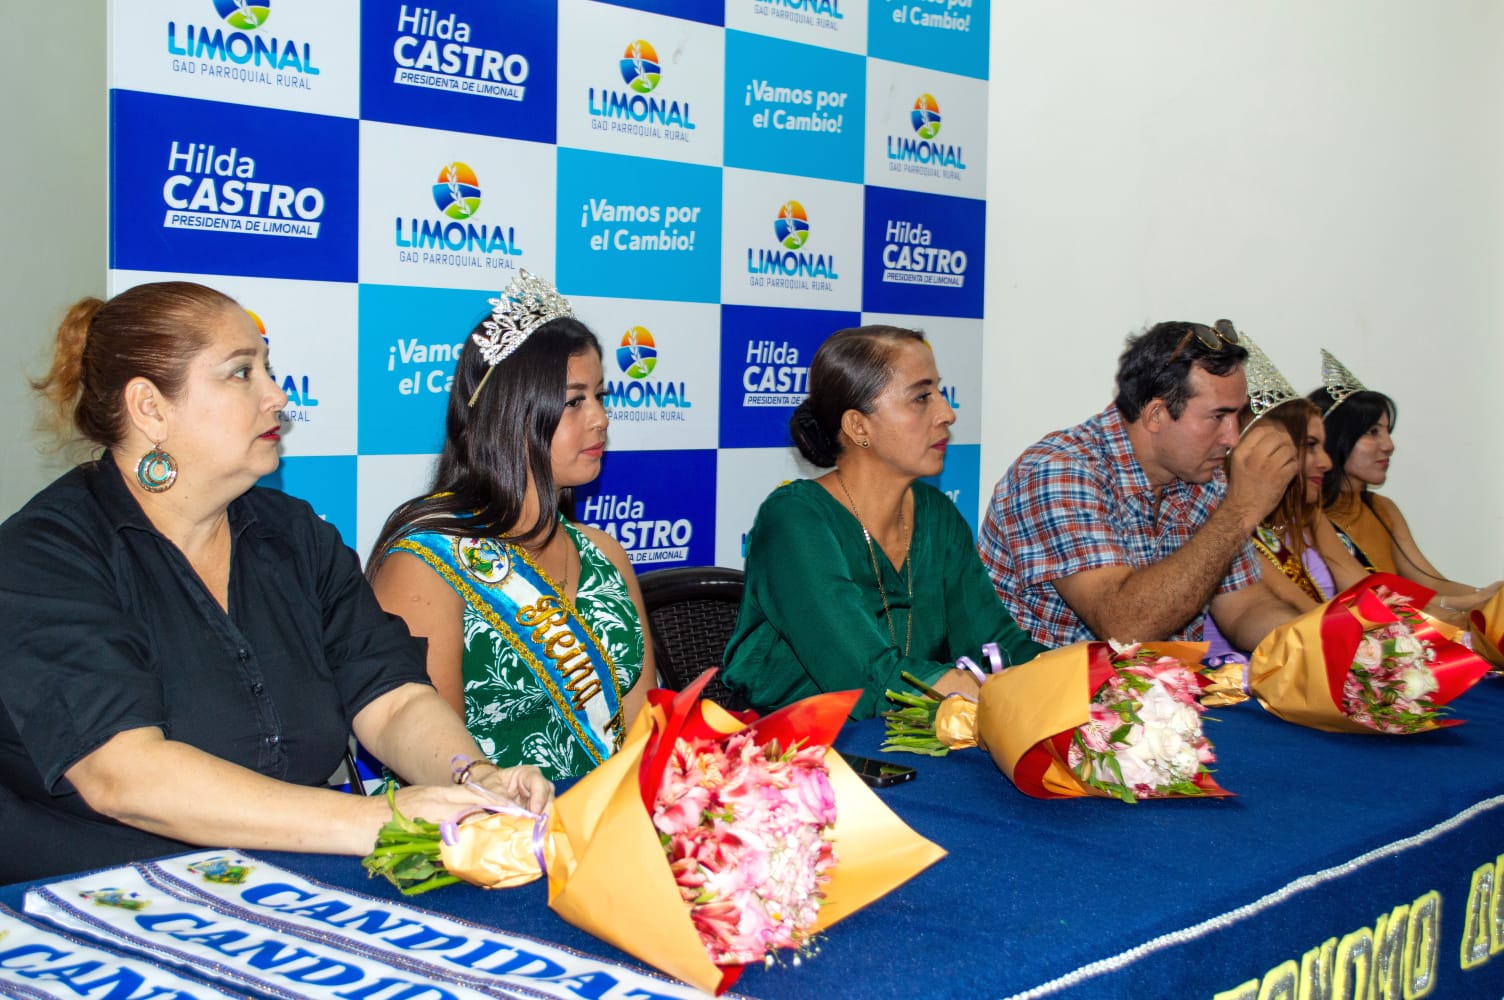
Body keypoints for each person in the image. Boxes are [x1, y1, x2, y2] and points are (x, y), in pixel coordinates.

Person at [0, 281, 551, 883]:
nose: (277, 396)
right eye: (241, 373)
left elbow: (392, 699)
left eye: (268, 368)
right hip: (95, 905)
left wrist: (473, 778)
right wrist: (375, 820)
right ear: (150, 408)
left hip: (285, 890)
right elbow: (122, 775)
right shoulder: (46, 554)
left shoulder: (294, 534)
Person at [368, 271, 652, 781]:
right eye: (574, 401)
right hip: (484, 821)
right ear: (511, 412)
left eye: (601, 396)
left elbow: (643, 737)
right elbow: (431, 760)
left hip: (612, 818)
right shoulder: (426, 563)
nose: (601, 419)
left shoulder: (605, 553)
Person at [721, 325, 1046, 719]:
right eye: (921, 397)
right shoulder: (793, 520)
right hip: (794, 743)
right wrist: (978, 689)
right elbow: (864, 678)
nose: (948, 413)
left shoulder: (936, 513)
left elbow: (996, 644)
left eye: (940, 392)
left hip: (914, 733)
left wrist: (1089, 676)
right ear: (859, 427)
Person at [978, 320, 1304, 650]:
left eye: (1237, 416)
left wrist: (1312, 644)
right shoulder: (1060, 471)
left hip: (1159, 682)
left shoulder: (1204, 479)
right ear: (1156, 415)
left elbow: (1245, 607)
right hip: (1048, 680)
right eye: (1218, 417)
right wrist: (1241, 511)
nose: (1232, 438)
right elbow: (1124, 627)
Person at [1200, 339, 1372, 662]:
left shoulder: (1307, 516)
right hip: (1241, 676)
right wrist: (1375, 647)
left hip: (1318, 654)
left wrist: (1425, 624)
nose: (1327, 462)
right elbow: (1303, 612)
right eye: (1310, 446)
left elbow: (1364, 591)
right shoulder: (1223, 521)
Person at [1309, 350, 1500, 615]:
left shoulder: (1382, 508)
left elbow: (1430, 582)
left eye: (1387, 432)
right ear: (1334, 437)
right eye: (1372, 432)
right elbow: (1368, 598)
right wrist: (1470, 602)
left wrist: (1490, 597)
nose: (1389, 445)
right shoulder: (1309, 515)